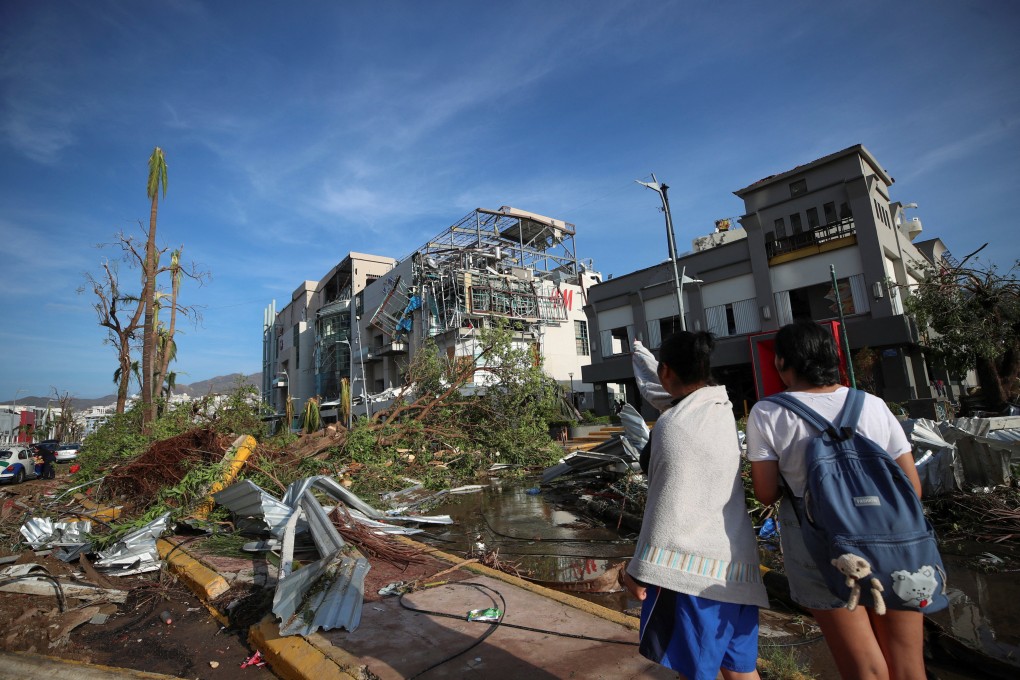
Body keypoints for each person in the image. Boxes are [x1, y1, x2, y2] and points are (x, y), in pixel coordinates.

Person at [746, 321, 925, 680]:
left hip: (819, 542)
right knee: (908, 665)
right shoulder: (873, 405)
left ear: (782, 362)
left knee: (865, 668)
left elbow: (765, 493)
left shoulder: (768, 413)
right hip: (894, 538)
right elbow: (912, 486)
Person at [622, 331, 768, 680]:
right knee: (740, 671)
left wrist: (638, 567)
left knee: (694, 671)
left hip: (691, 576)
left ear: (667, 370)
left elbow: (666, 503)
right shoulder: (721, 410)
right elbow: (664, 394)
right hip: (737, 570)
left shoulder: (670, 426)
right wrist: (642, 355)